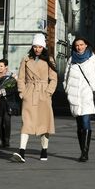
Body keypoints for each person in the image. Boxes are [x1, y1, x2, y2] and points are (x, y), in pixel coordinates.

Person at [12, 34, 58, 163]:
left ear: (43, 47)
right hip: (30, 92)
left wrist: (48, 92)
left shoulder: (49, 59)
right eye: (35, 46)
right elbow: (21, 77)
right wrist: (22, 92)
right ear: (32, 46)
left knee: (44, 123)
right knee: (26, 122)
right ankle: (22, 152)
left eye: (40, 46)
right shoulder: (26, 59)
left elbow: (54, 78)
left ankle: (44, 150)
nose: (37, 49)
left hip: (44, 93)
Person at [63, 36, 95, 162]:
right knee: (79, 126)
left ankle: (85, 153)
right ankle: (82, 150)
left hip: (87, 95)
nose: (79, 47)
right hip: (74, 97)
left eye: (81, 44)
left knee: (85, 122)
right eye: (77, 45)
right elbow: (66, 76)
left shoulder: (93, 59)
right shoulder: (71, 59)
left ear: (86, 45)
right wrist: (67, 89)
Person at [0, 58, 19, 148]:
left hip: (7, 102)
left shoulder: (10, 77)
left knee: (6, 121)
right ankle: (2, 140)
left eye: (1, 66)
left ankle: (6, 141)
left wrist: (3, 92)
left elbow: (13, 89)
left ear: (6, 67)